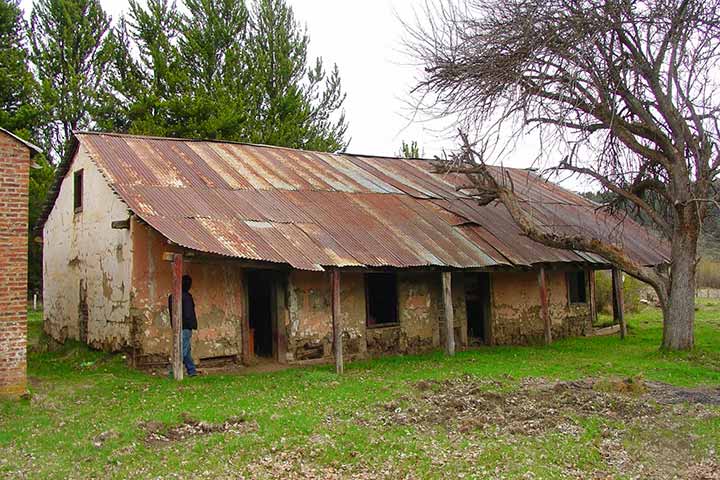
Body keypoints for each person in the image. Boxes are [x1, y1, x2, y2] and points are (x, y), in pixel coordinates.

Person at [168, 274, 199, 377]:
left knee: (186, 350)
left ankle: (192, 371)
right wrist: (192, 325)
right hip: (185, 327)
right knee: (183, 351)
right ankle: (173, 372)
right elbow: (188, 314)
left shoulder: (172, 296)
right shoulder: (187, 297)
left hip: (177, 326)